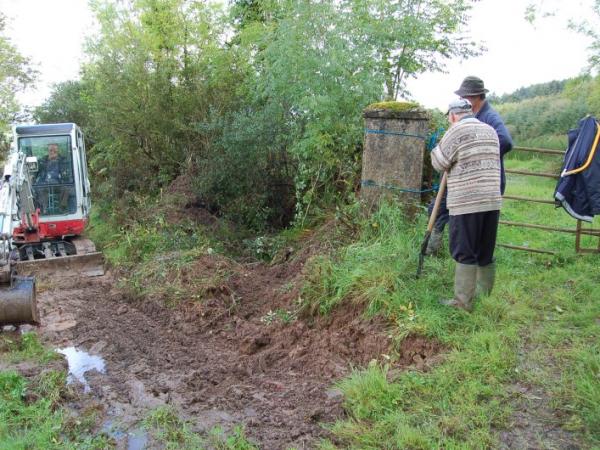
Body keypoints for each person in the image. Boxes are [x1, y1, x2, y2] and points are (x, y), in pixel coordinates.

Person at [426, 76, 513, 255]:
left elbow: (505, 141)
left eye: (468, 97)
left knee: (468, 225)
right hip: (462, 177)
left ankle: (458, 255)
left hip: (477, 181)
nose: (465, 101)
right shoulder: (472, 116)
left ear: (478, 97)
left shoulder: (489, 117)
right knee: (439, 208)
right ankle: (434, 248)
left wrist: (477, 158)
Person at [430, 99, 502, 311]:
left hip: (467, 201)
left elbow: (438, 163)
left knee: (465, 250)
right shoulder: (490, 130)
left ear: (453, 115)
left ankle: (463, 303)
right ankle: (484, 297)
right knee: (484, 250)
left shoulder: (456, 130)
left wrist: (440, 147)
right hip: (492, 199)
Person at [35, 143, 71, 213]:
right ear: (48, 151)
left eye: (55, 151)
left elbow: (67, 172)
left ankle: (62, 207)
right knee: (38, 189)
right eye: (51, 150)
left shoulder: (63, 160)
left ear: (58, 151)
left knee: (67, 188)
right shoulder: (43, 160)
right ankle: (43, 208)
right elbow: (37, 172)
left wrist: (57, 161)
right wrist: (48, 162)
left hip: (59, 183)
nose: (52, 152)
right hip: (45, 184)